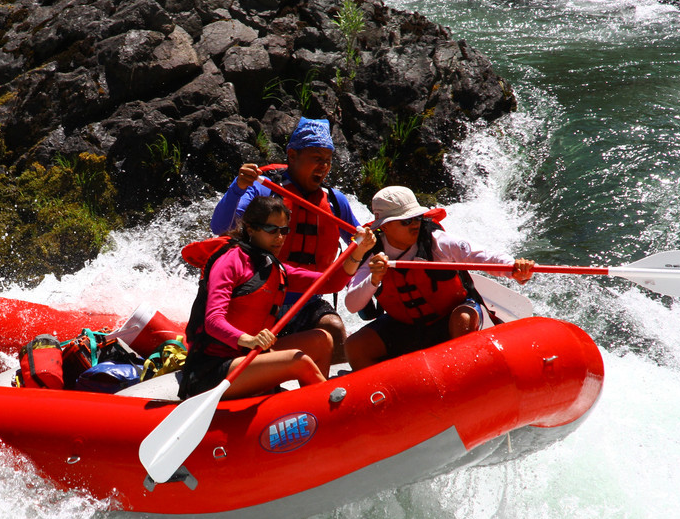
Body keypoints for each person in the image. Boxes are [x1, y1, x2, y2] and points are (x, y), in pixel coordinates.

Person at [182, 195, 376, 400]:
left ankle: (309, 411)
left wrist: (358, 251)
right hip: (212, 369)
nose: (280, 238)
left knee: (322, 339)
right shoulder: (229, 261)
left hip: (248, 356)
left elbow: (330, 283)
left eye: (284, 231)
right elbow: (213, 321)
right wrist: (248, 339)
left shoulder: (272, 265)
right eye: (271, 230)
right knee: (298, 361)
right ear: (251, 229)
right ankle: (327, 405)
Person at [210, 117, 362, 364]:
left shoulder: (335, 200)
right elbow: (222, 227)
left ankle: (332, 393)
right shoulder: (263, 189)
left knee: (333, 327)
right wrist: (238, 187)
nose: (324, 167)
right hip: (260, 297)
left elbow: (360, 244)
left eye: (328, 160)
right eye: (316, 158)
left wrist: (371, 248)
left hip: (306, 298)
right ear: (292, 156)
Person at [343, 186, 535, 371]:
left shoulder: (436, 241)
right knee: (355, 346)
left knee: (463, 318)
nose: (415, 225)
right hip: (407, 327)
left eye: (416, 218)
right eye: (405, 221)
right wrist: (374, 279)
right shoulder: (371, 255)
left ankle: (466, 376)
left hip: (450, 317)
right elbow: (352, 305)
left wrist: (514, 268)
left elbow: (480, 255)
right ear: (384, 226)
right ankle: (389, 395)